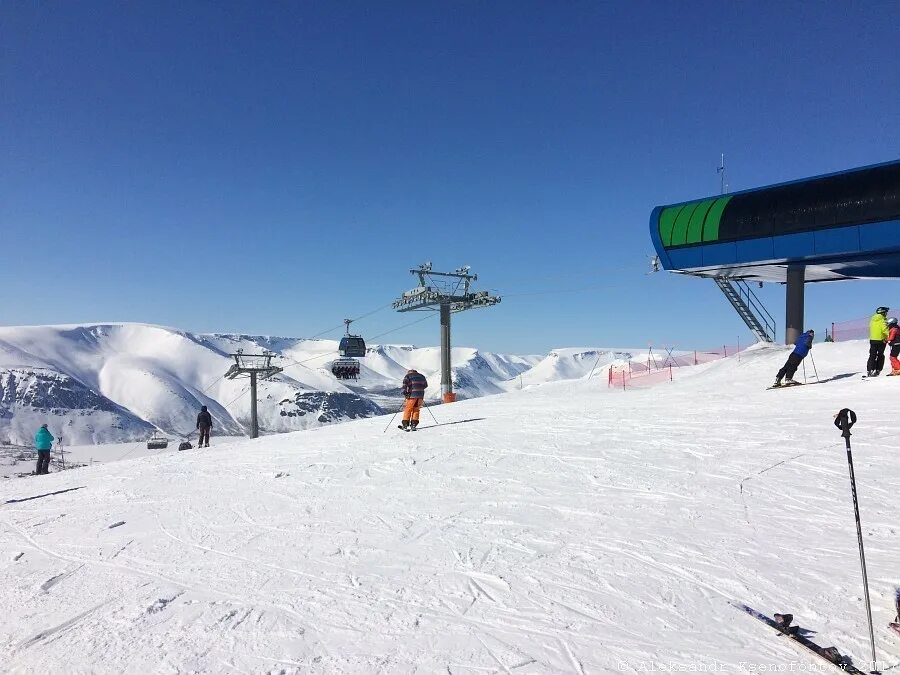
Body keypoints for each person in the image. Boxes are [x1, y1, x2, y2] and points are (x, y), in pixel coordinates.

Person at [867, 306, 890, 376]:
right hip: (881, 340)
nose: (886, 314)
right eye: (886, 312)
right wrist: (890, 335)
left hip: (873, 340)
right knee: (880, 355)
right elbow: (885, 330)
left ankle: (870, 370)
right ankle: (878, 369)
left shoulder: (872, 320)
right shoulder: (883, 320)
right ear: (883, 313)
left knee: (872, 355)